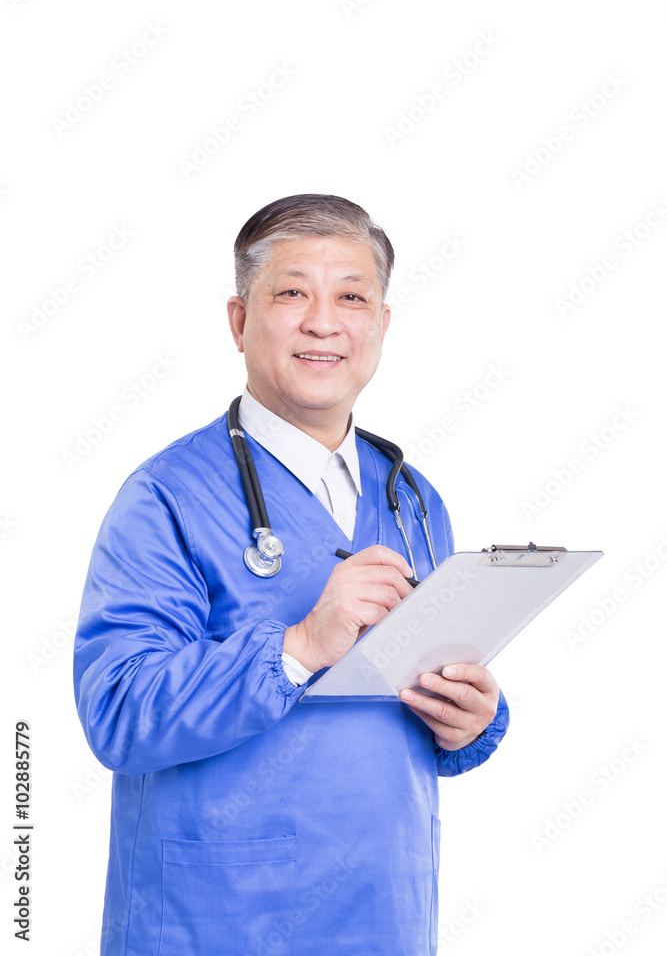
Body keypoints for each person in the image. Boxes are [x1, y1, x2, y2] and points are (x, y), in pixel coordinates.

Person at [73, 193, 510, 956]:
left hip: (384, 914)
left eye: (350, 296)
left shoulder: (409, 497)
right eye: (290, 292)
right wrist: (301, 643)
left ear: (379, 323)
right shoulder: (166, 495)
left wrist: (472, 722)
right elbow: (118, 713)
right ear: (240, 322)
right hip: (216, 919)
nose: (322, 321)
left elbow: (423, 701)